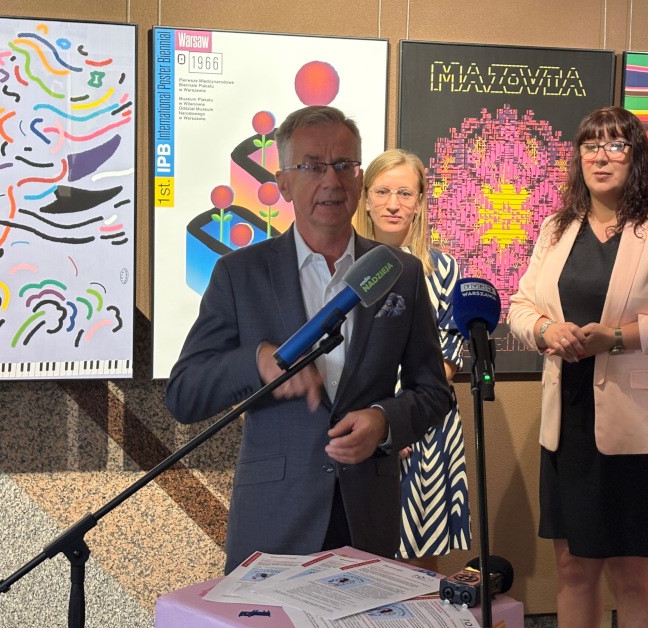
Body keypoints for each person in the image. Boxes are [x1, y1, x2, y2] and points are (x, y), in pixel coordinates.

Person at [165, 106, 452, 574]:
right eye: (313, 166)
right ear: (283, 183)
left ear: (359, 179)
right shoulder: (240, 274)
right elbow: (183, 395)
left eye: (344, 165)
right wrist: (257, 362)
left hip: (365, 521)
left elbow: (434, 392)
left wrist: (384, 421)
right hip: (274, 524)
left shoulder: (399, 272)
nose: (331, 180)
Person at [507, 105, 648, 628]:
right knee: (573, 569)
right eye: (591, 145)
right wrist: (545, 330)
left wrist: (616, 338)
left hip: (640, 428)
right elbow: (521, 305)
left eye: (616, 145)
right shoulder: (556, 228)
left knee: (633, 575)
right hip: (569, 424)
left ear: (635, 155)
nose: (601, 156)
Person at [352, 149, 470, 563]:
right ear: (366, 198)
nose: (393, 204)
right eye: (382, 192)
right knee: (361, 560)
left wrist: (400, 418)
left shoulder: (444, 270)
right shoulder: (345, 268)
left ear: (419, 202)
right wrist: (379, 419)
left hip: (424, 425)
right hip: (358, 422)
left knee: (420, 559)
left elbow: (449, 354)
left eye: (404, 193)